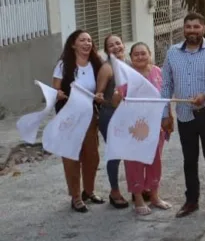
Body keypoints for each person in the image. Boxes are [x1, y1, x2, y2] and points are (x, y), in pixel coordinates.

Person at [161, 12, 205, 218]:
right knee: (189, 160)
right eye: (188, 27)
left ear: (203, 29)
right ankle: (191, 201)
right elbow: (166, 85)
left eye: (196, 27)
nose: (192, 30)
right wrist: (166, 114)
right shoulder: (172, 53)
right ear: (184, 29)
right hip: (184, 115)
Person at [52, 30, 108, 213]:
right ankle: (75, 197)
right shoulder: (63, 65)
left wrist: (101, 95)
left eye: (89, 40)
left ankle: (89, 192)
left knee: (92, 156)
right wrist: (58, 94)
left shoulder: (96, 63)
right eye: (82, 40)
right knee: (71, 156)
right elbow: (55, 90)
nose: (87, 43)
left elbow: (104, 86)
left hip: (89, 115)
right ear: (73, 44)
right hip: (68, 115)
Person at [122, 42, 172, 215]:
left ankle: (155, 196)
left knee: (154, 160)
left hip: (156, 126)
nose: (140, 57)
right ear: (131, 57)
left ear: (150, 54)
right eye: (136, 54)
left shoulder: (158, 72)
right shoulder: (126, 75)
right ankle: (138, 199)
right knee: (135, 162)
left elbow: (165, 97)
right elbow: (117, 100)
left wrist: (168, 119)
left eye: (143, 53)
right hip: (134, 128)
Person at [97, 34, 129, 209]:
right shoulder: (107, 68)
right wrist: (112, 102)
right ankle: (114, 191)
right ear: (106, 50)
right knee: (115, 154)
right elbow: (99, 97)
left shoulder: (129, 65)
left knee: (133, 151)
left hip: (129, 115)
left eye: (118, 43)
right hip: (110, 115)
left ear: (123, 45)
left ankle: (138, 187)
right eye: (111, 45)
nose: (116, 47)